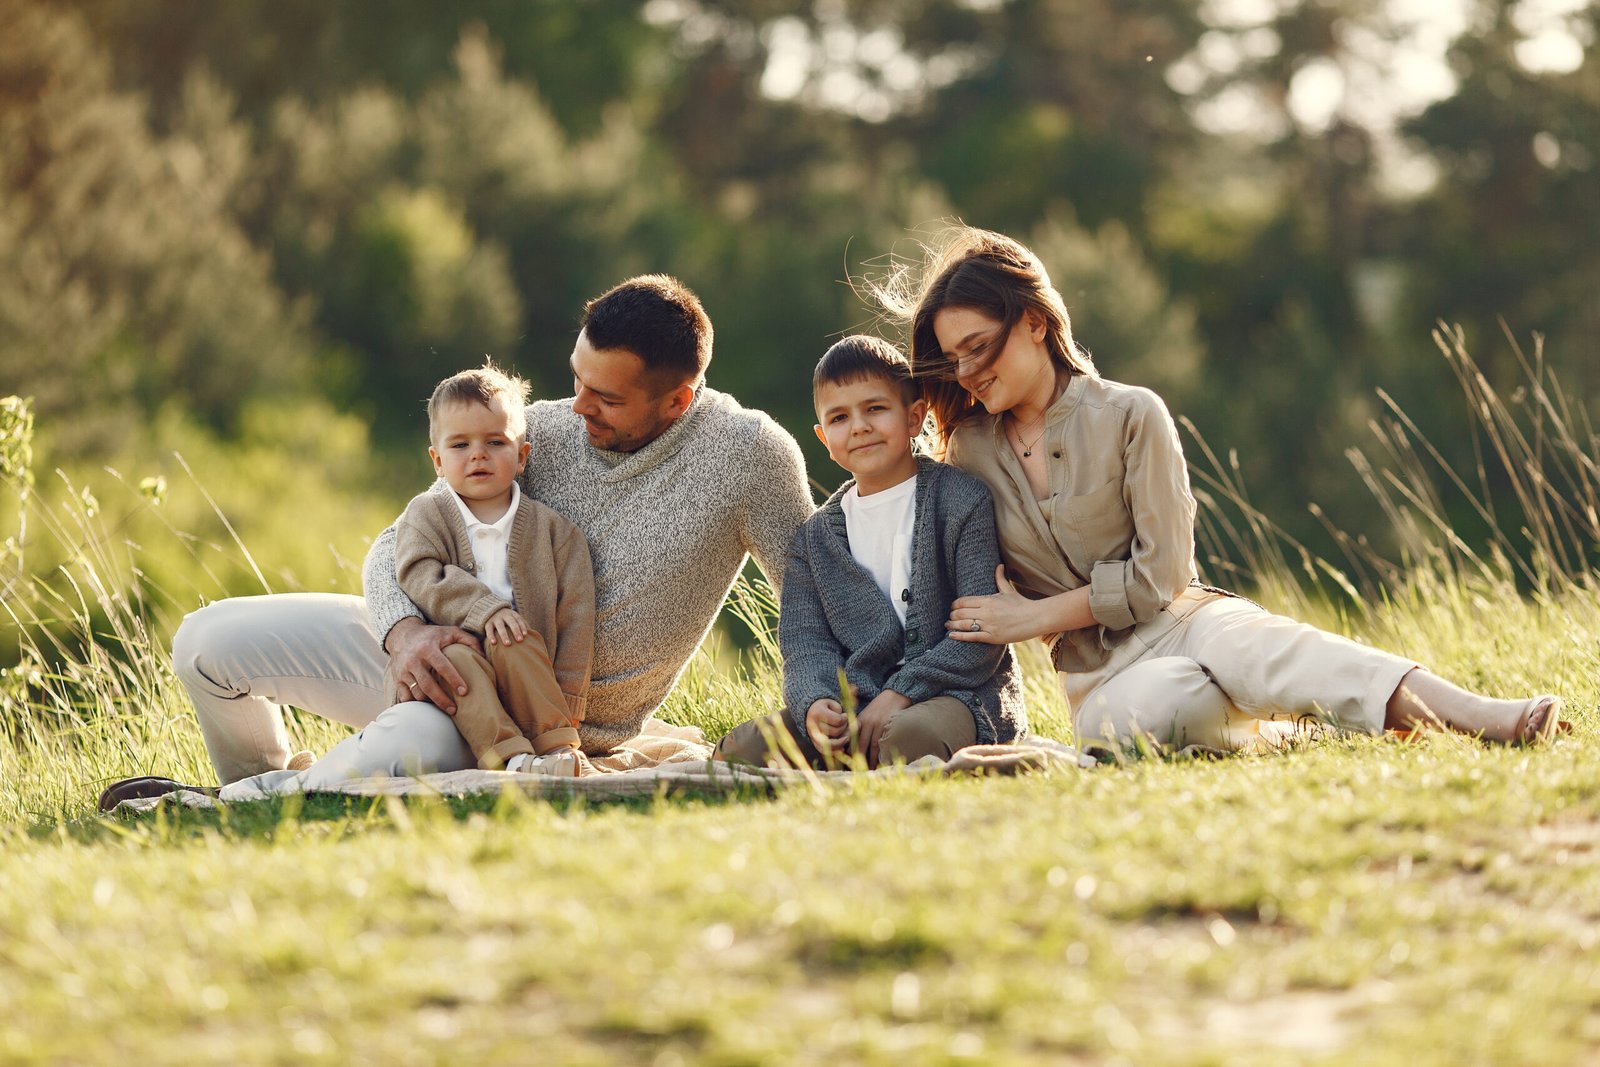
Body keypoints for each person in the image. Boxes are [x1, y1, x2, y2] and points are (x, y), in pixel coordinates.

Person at [98, 275, 813, 809]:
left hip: (524, 721)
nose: (578, 407)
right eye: (576, 381)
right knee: (203, 641)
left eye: (608, 398)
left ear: (678, 399)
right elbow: (395, 544)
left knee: (409, 744)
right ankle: (265, 785)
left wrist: (826, 708)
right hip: (420, 653)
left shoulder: (750, 456)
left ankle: (240, 803)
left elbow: (810, 600)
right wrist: (404, 633)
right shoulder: (543, 429)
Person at [877, 226, 1564, 755]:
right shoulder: (967, 454)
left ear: (1033, 321)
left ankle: (1488, 718)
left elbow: (1162, 574)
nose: (965, 371)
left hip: (1187, 619)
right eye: (952, 356)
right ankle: (1280, 732)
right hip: (1099, 680)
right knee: (1152, 711)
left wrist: (1032, 617)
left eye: (979, 346)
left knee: (1274, 650)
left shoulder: (1130, 413)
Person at [714, 335, 1025, 769]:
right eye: (840, 417)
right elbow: (807, 645)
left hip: (956, 695)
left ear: (914, 417)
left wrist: (902, 693)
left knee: (909, 737)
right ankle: (849, 754)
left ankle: (877, 759)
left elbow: (981, 633)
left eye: (875, 409)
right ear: (824, 437)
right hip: (857, 705)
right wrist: (816, 703)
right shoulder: (815, 538)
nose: (859, 426)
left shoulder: (961, 500)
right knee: (743, 749)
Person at [393, 360, 594, 777]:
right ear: (437, 460)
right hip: (455, 660)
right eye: (460, 445)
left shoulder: (556, 533)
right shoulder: (426, 515)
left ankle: (558, 750)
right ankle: (510, 758)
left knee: (516, 638)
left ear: (521, 456)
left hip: (525, 662)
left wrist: (571, 698)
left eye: (495, 443)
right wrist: (486, 610)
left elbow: (577, 616)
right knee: (458, 657)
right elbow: (418, 572)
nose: (478, 455)